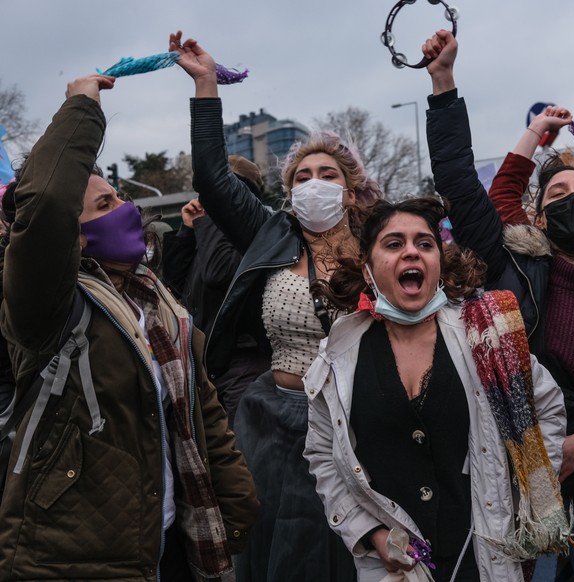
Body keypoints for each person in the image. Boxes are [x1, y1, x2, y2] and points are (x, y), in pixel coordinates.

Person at [421, 30, 574, 582]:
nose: (570, 201)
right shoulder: (509, 265)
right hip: (510, 481)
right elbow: (460, 184)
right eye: (556, 195)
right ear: (536, 216)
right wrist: (443, 84)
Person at [0, 74, 258, 580]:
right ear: (72, 240)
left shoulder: (159, 303)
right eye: (103, 205)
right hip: (73, 554)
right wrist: (80, 107)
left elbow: (201, 414)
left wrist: (237, 501)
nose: (124, 207)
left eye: (119, 196)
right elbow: (49, 202)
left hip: (169, 544)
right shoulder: (46, 307)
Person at [170, 31, 380, 581]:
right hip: (273, 425)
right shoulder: (271, 235)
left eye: (327, 175)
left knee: (346, 552)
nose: (314, 184)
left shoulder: (382, 249)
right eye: (302, 177)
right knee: (272, 555)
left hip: (358, 427)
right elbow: (215, 179)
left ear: (351, 190)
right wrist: (206, 86)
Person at [304, 197, 568, 581]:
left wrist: (516, 499)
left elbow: (546, 410)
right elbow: (322, 456)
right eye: (394, 244)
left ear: (439, 264)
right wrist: (370, 533)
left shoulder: (486, 337)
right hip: (395, 569)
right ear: (368, 266)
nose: (411, 251)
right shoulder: (337, 357)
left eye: (425, 244)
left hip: (484, 558)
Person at [161, 156, 271, 427]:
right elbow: (174, 282)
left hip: (243, 362)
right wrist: (187, 231)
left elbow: (217, 272)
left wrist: (208, 220)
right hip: (208, 362)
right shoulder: (208, 228)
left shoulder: (253, 230)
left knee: (243, 448)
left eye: (216, 192)